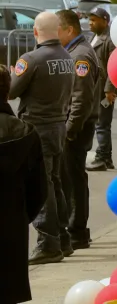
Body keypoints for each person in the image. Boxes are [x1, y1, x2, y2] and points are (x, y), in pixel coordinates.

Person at [9, 11, 74, 264]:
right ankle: (62, 238)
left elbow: (12, 90)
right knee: (55, 183)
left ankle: (48, 243)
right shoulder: (67, 57)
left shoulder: (31, 59)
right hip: (58, 125)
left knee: (41, 185)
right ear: (58, 30)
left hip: (37, 128)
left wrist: (15, 71)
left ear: (35, 32)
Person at [0, 66, 48, 303]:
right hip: (11, 224)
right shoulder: (27, 132)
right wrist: (19, 217)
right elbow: (39, 189)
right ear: (7, 93)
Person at [55, 9, 100, 251]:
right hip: (76, 126)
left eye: (57, 30)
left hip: (77, 128)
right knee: (73, 179)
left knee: (72, 180)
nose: (54, 35)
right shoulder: (74, 51)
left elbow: (81, 99)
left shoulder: (80, 56)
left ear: (69, 30)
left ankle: (77, 231)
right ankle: (77, 230)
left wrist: (69, 130)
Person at [86, 7, 117, 172]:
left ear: (105, 21)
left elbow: (114, 66)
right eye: (90, 20)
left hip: (104, 89)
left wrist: (109, 89)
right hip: (95, 86)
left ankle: (102, 158)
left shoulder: (110, 40)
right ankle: (107, 158)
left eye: (94, 20)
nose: (91, 23)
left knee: (102, 124)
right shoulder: (95, 37)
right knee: (101, 123)